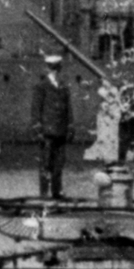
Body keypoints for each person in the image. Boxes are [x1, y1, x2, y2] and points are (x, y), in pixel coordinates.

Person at [29, 53, 74, 198]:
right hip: (47, 132)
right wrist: (38, 130)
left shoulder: (63, 86)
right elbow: (36, 109)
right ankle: (44, 192)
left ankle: (56, 191)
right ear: (54, 68)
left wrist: (70, 126)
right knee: (46, 163)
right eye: (56, 68)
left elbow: (68, 109)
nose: (57, 71)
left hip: (60, 131)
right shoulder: (41, 86)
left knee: (59, 163)